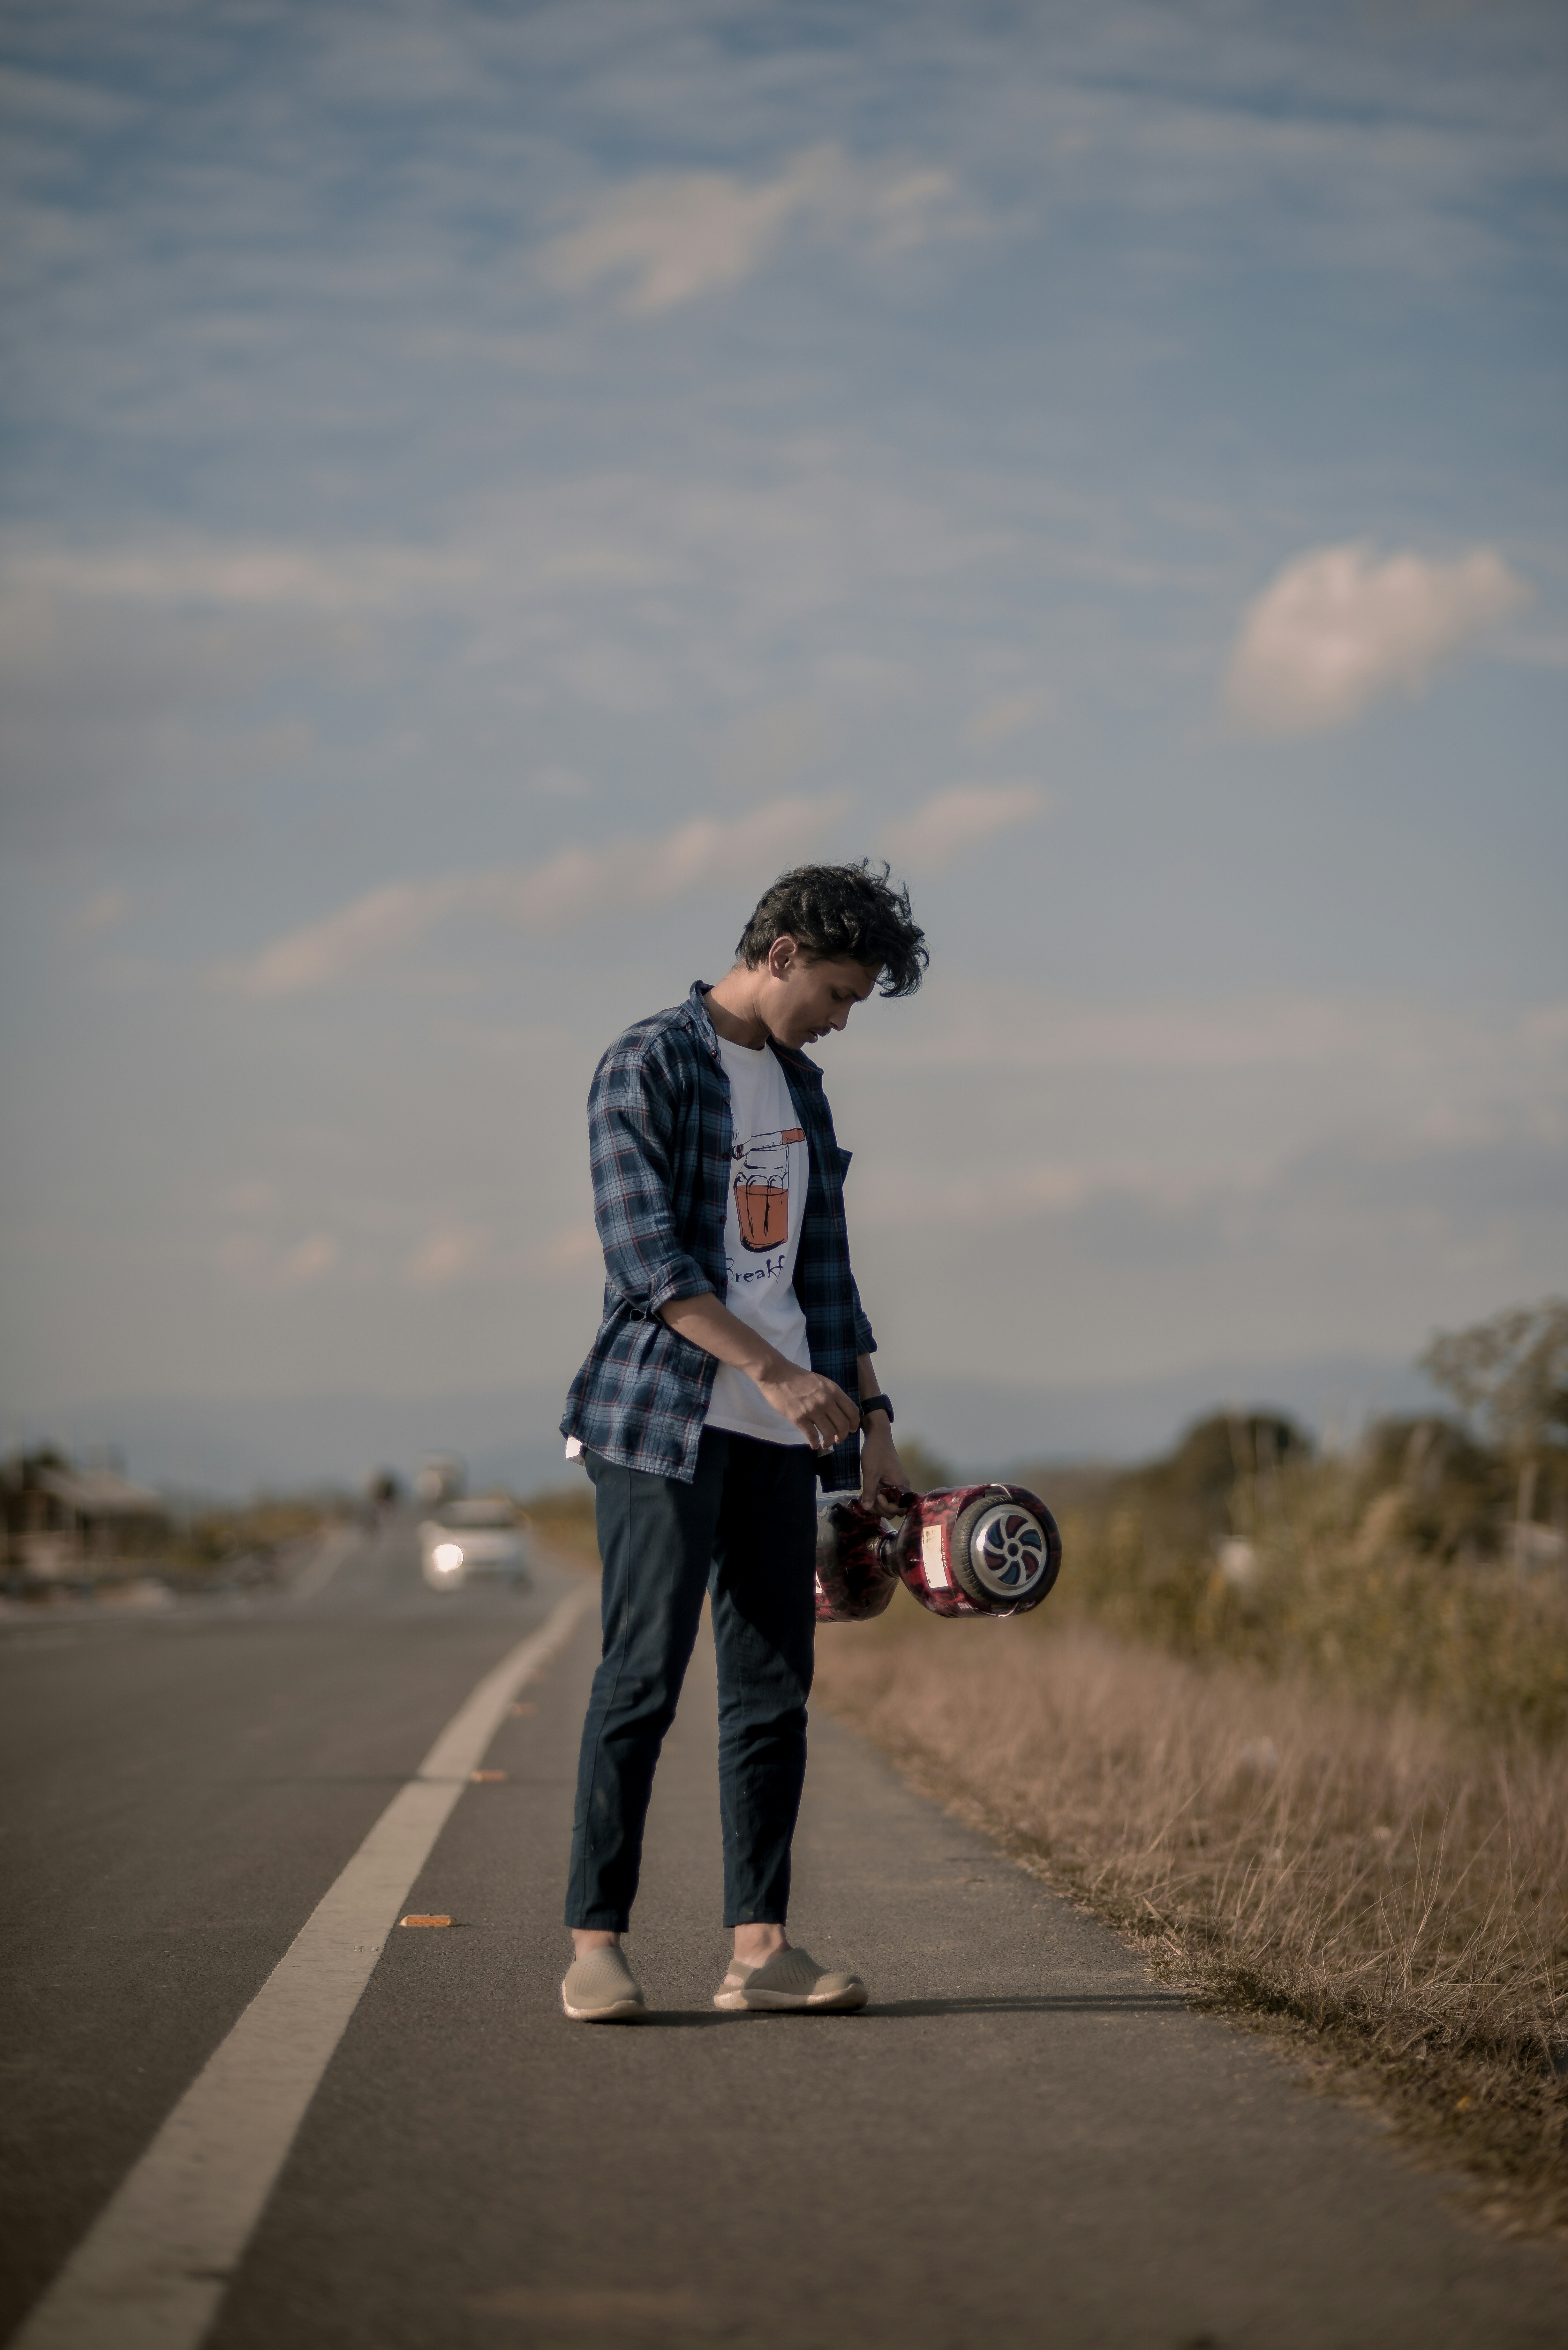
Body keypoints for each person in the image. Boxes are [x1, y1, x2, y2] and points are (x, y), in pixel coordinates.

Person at [557, 860, 927, 2021]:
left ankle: (760, 1953)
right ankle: (596, 1945)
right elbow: (647, 1262)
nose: (841, 1021)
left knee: (772, 1692)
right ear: (778, 956)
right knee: (642, 1680)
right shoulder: (648, 1062)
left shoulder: (805, 1094)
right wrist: (773, 1373)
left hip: (786, 1435)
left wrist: (870, 1420)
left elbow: (827, 1275)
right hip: (661, 1423)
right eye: (836, 993)